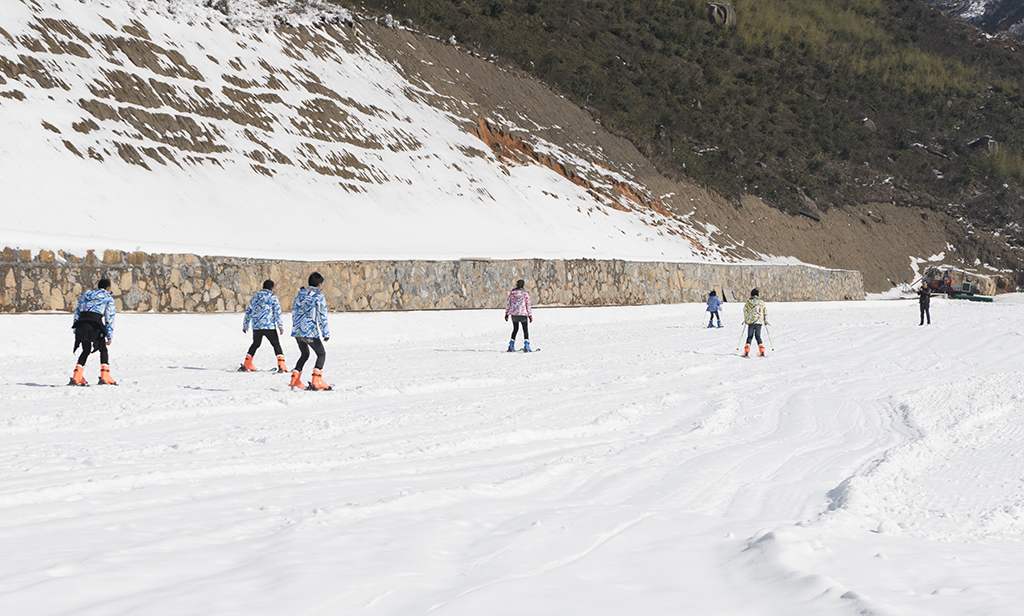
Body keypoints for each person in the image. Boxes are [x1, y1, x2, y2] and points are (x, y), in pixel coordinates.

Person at [70, 278, 117, 385]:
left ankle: (77, 376)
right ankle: (105, 375)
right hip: (95, 324)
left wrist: (76, 330)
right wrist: (109, 335)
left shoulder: (85, 295)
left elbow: (77, 312)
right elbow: (110, 317)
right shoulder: (108, 298)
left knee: (86, 349)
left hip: (81, 324)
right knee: (103, 349)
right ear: (108, 288)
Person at [290, 272, 331, 390]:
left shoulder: (300, 294)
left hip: (297, 331)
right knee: (321, 354)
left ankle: (295, 379)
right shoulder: (318, 296)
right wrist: (325, 333)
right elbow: (322, 316)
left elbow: (294, 312)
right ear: (319, 284)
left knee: (304, 354)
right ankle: (316, 380)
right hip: (310, 332)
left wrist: (296, 327)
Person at [241, 279, 287, 373]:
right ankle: (281, 365)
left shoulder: (256, 296)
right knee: (276, 344)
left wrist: (246, 325)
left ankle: (247, 364)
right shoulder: (272, 297)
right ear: (272, 288)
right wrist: (280, 326)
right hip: (269, 326)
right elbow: (277, 312)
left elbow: (249, 310)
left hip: (257, 326)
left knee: (255, 344)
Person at [505, 279, 533, 352]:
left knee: (515, 329)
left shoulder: (512, 293)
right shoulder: (525, 293)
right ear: (523, 285)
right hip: (523, 314)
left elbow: (508, 303)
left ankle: (511, 345)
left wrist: (507, 313)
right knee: (525, 329)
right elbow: (528, 304)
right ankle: (527, 346)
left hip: (514, 314)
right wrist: (530, 315)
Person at [742, 288, 767, 357]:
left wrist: (746, 319)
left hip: (751, 321)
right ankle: (762, 351)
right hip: (759, 321)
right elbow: (765, 311)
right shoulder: (761, 302)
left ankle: (746, 351)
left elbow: (745, 311)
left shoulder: (748, 302)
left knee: (749, 336)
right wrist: (765, 320)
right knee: (758, 336)